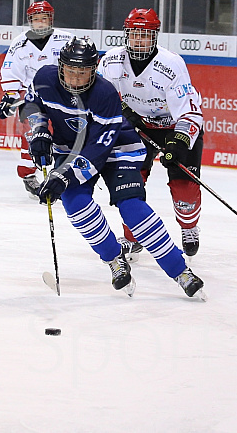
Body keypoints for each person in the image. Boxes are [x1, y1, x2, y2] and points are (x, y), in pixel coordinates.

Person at [24, 37, 205, 300]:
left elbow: (97, 151)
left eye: (83, 72)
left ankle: (180, 271)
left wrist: (63, 177)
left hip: (116, 149)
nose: (75, 79)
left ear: (94, 70)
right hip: (71, 148)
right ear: (60, 66)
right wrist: (39, 132)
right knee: (75, 203)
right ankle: (114, 260)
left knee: (131, 207)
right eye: (70, 71)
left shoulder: (104, 93)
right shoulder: (44, 77)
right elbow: (32, 105)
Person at [98, 8, 204, 257]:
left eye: (145, 35)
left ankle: (189, 226)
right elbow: (100, 95)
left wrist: (179, 141)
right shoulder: (112, 60)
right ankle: (132, 236)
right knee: (129, 182)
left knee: (184, 186)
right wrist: (122, 110)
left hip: (173, 127)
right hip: (136, 127)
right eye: (134, 34)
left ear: (155, 36)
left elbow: (189, 110)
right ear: (126, 35)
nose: (138, 40)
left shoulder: (171, 64)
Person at [0, 0, 73, 198]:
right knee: (33, 135)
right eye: (36, 19)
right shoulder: (20, 42)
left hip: (63, 97)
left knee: (64, 136)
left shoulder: (66, 39)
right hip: (33, 98)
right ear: (30, 21)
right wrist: (11, 96)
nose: (40, 23)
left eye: (43, 19)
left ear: (50, 19)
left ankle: (60, 175)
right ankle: (28, 174)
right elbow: (10, 70)